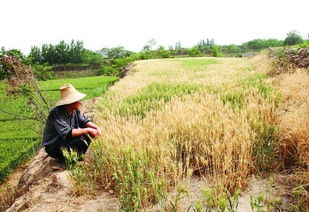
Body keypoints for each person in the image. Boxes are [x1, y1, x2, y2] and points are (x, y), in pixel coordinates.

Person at [42, 84, 101, 162]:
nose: (80, 102)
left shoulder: (74, 111)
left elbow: (84, 121)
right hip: (55, 146)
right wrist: (88, 130)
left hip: (65, 141)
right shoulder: (57, 114)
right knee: (82, 138)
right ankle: (66, 159)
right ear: (71, 103)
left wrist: (96, 127)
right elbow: (67, 133)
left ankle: (77, 157)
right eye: (77, 101)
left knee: (86, 136)